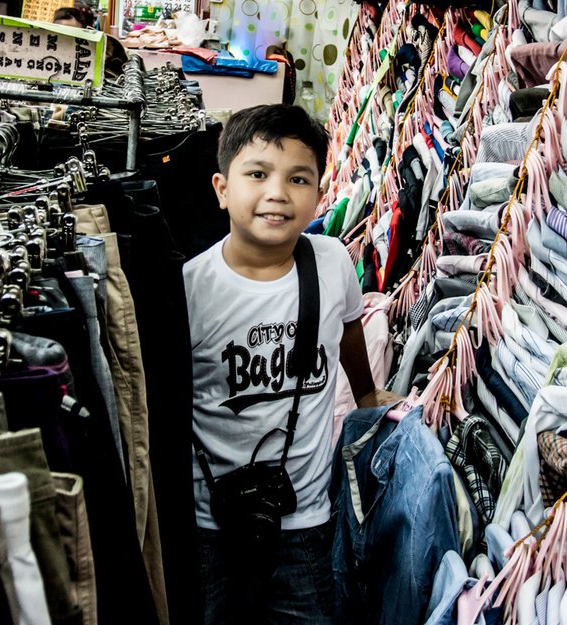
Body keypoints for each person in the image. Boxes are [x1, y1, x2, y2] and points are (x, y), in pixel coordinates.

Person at [183, 104, 401, 624]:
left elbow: (349, 327)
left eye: (298, 178)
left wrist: (367, 393)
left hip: (301, 515)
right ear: (221, 188)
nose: (277, 193)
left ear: (319, 194)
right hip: (209, 518)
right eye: (257, 174)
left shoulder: (331, 262)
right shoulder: (191, 288)